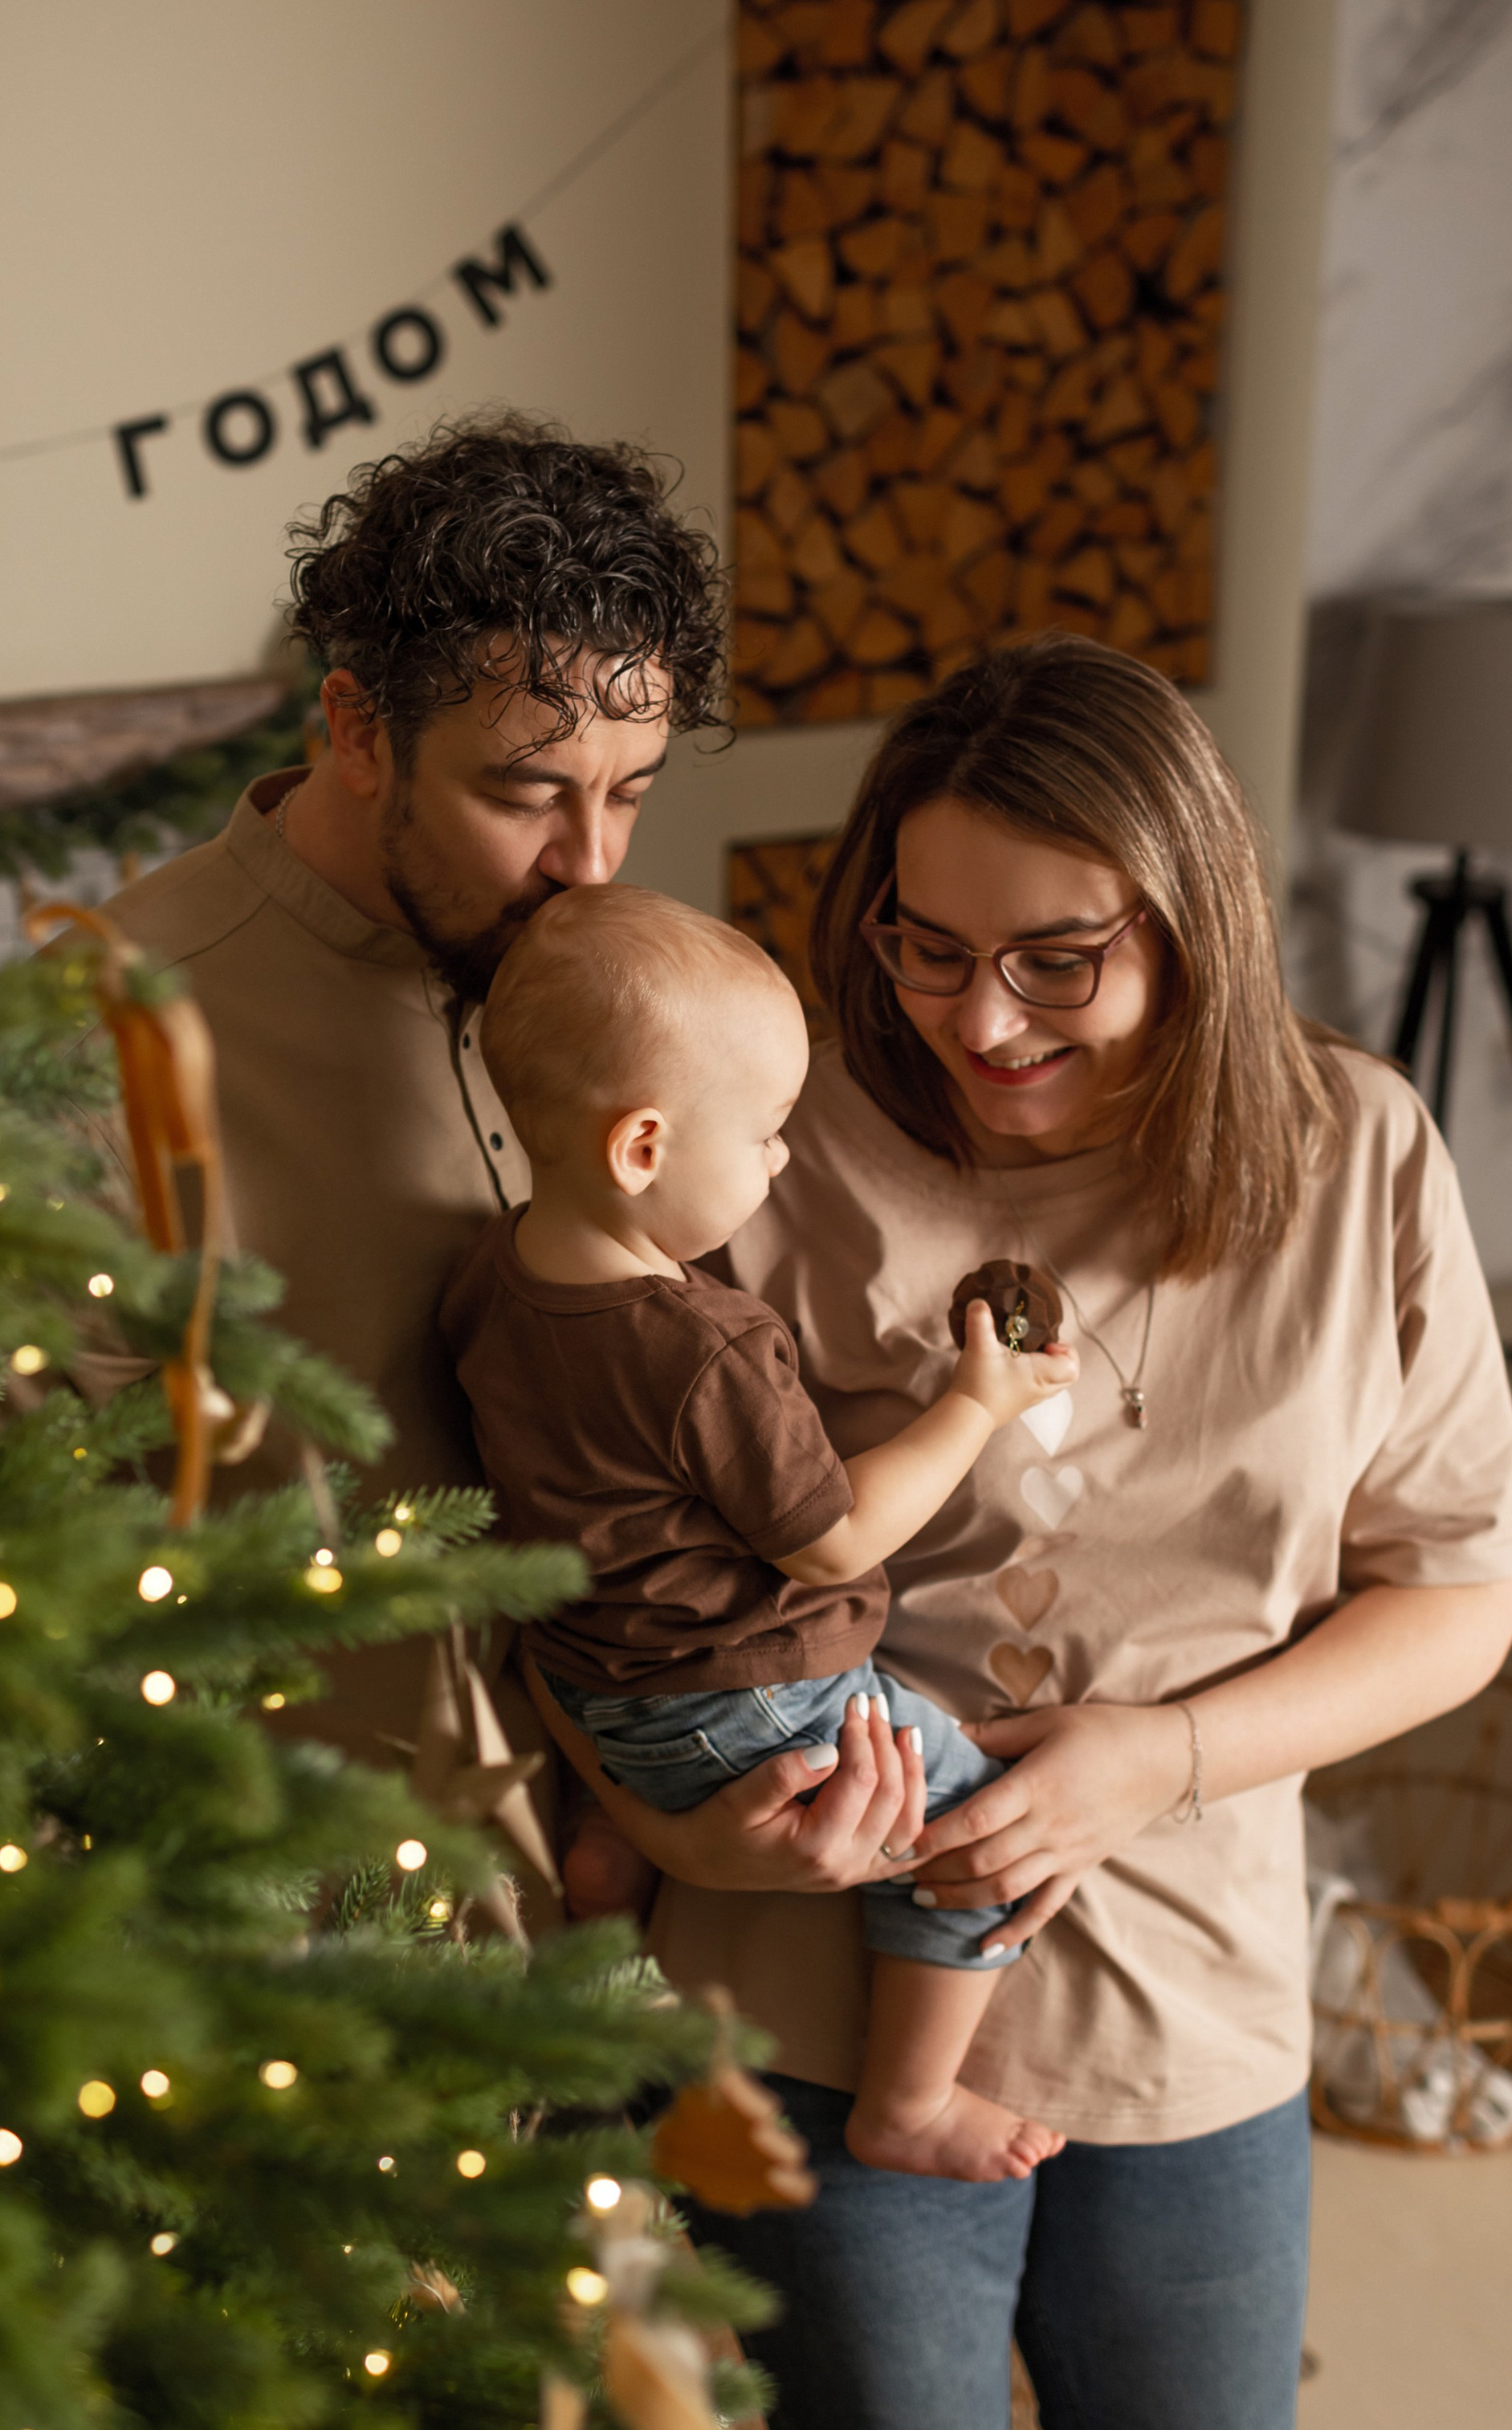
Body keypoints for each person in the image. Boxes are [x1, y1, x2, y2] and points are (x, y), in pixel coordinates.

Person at [531, 638, 1512, 2430]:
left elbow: (1457, 1587)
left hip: (1196, 1987)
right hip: (814, 1970)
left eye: (1060, 962)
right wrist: (703, 1826)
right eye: (925, 946)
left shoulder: (1358, 1155)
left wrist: (1156, 1756)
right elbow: (604, 1554)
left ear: (1192, 917)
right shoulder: (761, 1142)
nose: (979, 1024)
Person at [94, 411, 932, 1885]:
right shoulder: (106, 1040)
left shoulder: (626, 997)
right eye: (527, 792)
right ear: (357, 731)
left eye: (631, 792)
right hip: (279, 1956)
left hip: (614, 1940)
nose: (592, 864)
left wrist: (683, 1819)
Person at [442, 883, 1078, 2179]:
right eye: (769, 1134)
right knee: (983, 1838)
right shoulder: (706, 1348)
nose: (783, 1159)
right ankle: (909, 2101)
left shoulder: (490, 1275)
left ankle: (612, 1851)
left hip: (591, 1677)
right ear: (642, 1150)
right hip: (733, 1701)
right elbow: (833, 1543)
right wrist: (974, 1403)